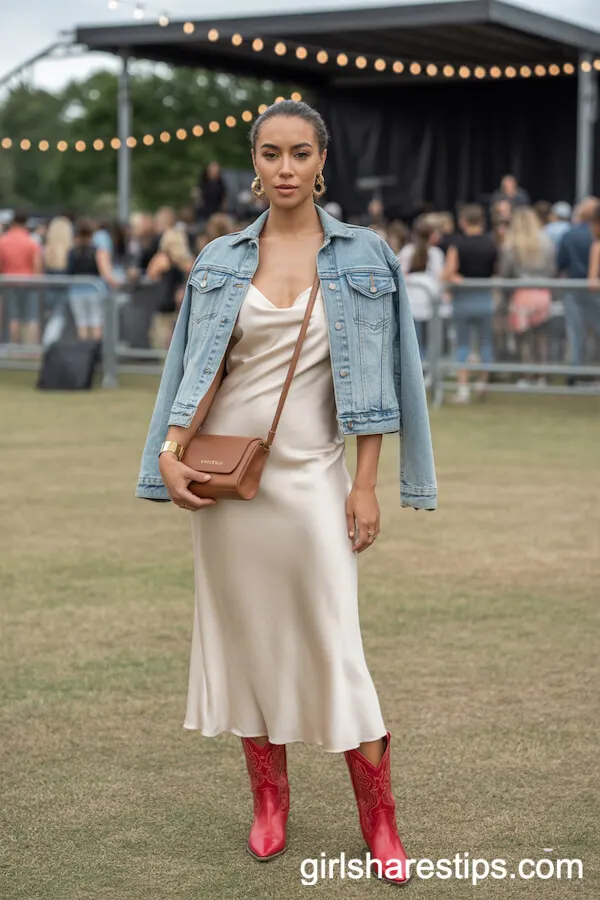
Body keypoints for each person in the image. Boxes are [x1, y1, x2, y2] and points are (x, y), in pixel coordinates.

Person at [135, 99, 437, 886]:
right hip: (229, 485)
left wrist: (365, 485)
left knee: (336, 647)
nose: (285, 168)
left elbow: (386, 381)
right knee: (250, 645)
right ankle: (269, 802)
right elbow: (198, 370)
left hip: (313, 479)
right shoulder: (220, 258)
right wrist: (169, 453)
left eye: (300, 153)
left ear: (323, 160)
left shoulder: (366, 255)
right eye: (270, 154)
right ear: (254, 163)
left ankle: (380, 818)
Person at [443, 203, 498, 402]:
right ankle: (483, 383)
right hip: (485, 299)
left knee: (463, 344)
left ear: (463, 221)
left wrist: (460, 280)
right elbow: (496, 272)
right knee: (485, 343)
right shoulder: (491, 244)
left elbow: (448, 273)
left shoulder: (457, 245)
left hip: (464, 299)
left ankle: (463, 388)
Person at [500, 207, 557, 384]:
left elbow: (505, 271)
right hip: (542, 293)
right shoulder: (546, 241)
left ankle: (525, 375)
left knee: (524, 338)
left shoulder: (512, 243)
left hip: (522, 293)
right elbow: (552, 269)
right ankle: (542, 376)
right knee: (542, 337)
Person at [557, 196, 600, 368]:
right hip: (594, 292)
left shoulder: (570, 235)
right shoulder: (592, 240)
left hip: (575, 289)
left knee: (576, 330)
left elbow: (561, 262)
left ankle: (577, 368)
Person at [398, 215, 444, 363]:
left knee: (418, 340)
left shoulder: (411, 251)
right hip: (419, 303)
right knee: (424, 339)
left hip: (420, 303)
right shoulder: (416, 252)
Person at [67, 219, 120, 341]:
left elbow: (68, 271)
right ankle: (95, 349)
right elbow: (105, 272)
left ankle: (83, 349)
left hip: (75, 291)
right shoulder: (97, 251)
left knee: (81, 323)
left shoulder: (72, 252)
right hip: (95, 290)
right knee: (96, 321)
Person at [146, 227, 195, 348]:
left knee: (162, 345)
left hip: (165, 308)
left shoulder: (161, 259)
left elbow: (150, 275)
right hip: (183, 309)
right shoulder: (188, 262)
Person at [0, 209, 43, 345]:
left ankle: (14, 346)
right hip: (29, 282)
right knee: (31, 317)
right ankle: (30, 347)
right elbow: (37, 265)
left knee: (13, 318)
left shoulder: (3, 241)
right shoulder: (31, 241)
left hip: (8, 282)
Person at [42, 216, 74, 346]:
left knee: (53, 317)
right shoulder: (70, 250)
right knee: (59, 318)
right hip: (65, 288)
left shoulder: (47, 249)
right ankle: (49, 343)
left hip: (49, 287)